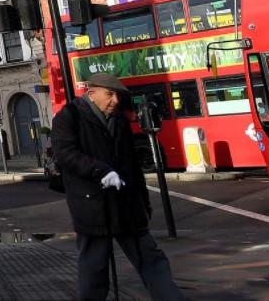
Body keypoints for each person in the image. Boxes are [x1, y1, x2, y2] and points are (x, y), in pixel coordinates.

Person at [51, 73, 184, 301]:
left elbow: (132, 164)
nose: (115, 100)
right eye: (109, 94)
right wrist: (100, 170)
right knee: (95, 270)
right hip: (92, 206)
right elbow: (65, 154)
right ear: (92, 93)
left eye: (117, 95)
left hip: (127, 205)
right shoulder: (69, 116)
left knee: (151, 259)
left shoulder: (120, 120)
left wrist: (144, 201)